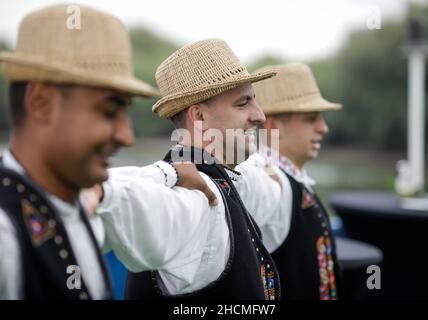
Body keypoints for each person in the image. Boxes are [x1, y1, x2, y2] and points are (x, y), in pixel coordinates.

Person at [0, 4, 214, 300]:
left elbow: (119, 184)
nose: (127, 137)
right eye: (108, 111)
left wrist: (171, 171)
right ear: (40, 103)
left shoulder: (72, 207)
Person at [92, 38, 294, 300]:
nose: (260, 116)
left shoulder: (225, 183)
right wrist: (169, 173)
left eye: (254, 101)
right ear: (198, 117)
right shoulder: (196, 198)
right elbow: (104, 195)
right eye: (242, 103)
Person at [249, 63, 344, 299]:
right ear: (272, 126)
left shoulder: (291, 179)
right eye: (311, 119)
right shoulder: (268, 180)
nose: (323, 128)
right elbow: (253, 185)